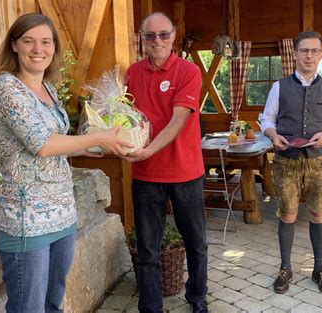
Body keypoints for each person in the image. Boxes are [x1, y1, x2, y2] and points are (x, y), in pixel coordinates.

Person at [0, 13, 131, 312]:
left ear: (54, 48)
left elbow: (57, 144)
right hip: (28, 220)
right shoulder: (6, 88)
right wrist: (100, 138)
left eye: (45, 42)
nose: (37, 49)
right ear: (14, 45)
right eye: (28, 41)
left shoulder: (49, 89)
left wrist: (91, 147)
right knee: (30, 308)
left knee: (53, 304)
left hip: (63, 214)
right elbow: (41, 144)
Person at [123, 12, 208, 313]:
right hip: (145, 175)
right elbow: (124, 119)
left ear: (172, 35)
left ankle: (197, 298)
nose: (157, 41)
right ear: (143, 39)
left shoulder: (189, 71)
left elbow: (177, 122)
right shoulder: (131, 73)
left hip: (185, 172)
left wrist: (147, 151)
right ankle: (150, 308)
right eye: (150, 36)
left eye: (163, 35)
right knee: (147, 249)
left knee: (196, 243)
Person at [259, 31, 322, 295]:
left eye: (315, 51)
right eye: (304, 51)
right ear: (295, 54)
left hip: (318, 162)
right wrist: (273, 135)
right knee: (287, 214)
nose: (309, 55)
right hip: (286, 161)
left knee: (318, 214)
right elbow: (267, 119)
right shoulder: (279, 87)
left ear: (321, 55)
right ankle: (285, 268)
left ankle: (319, 269)